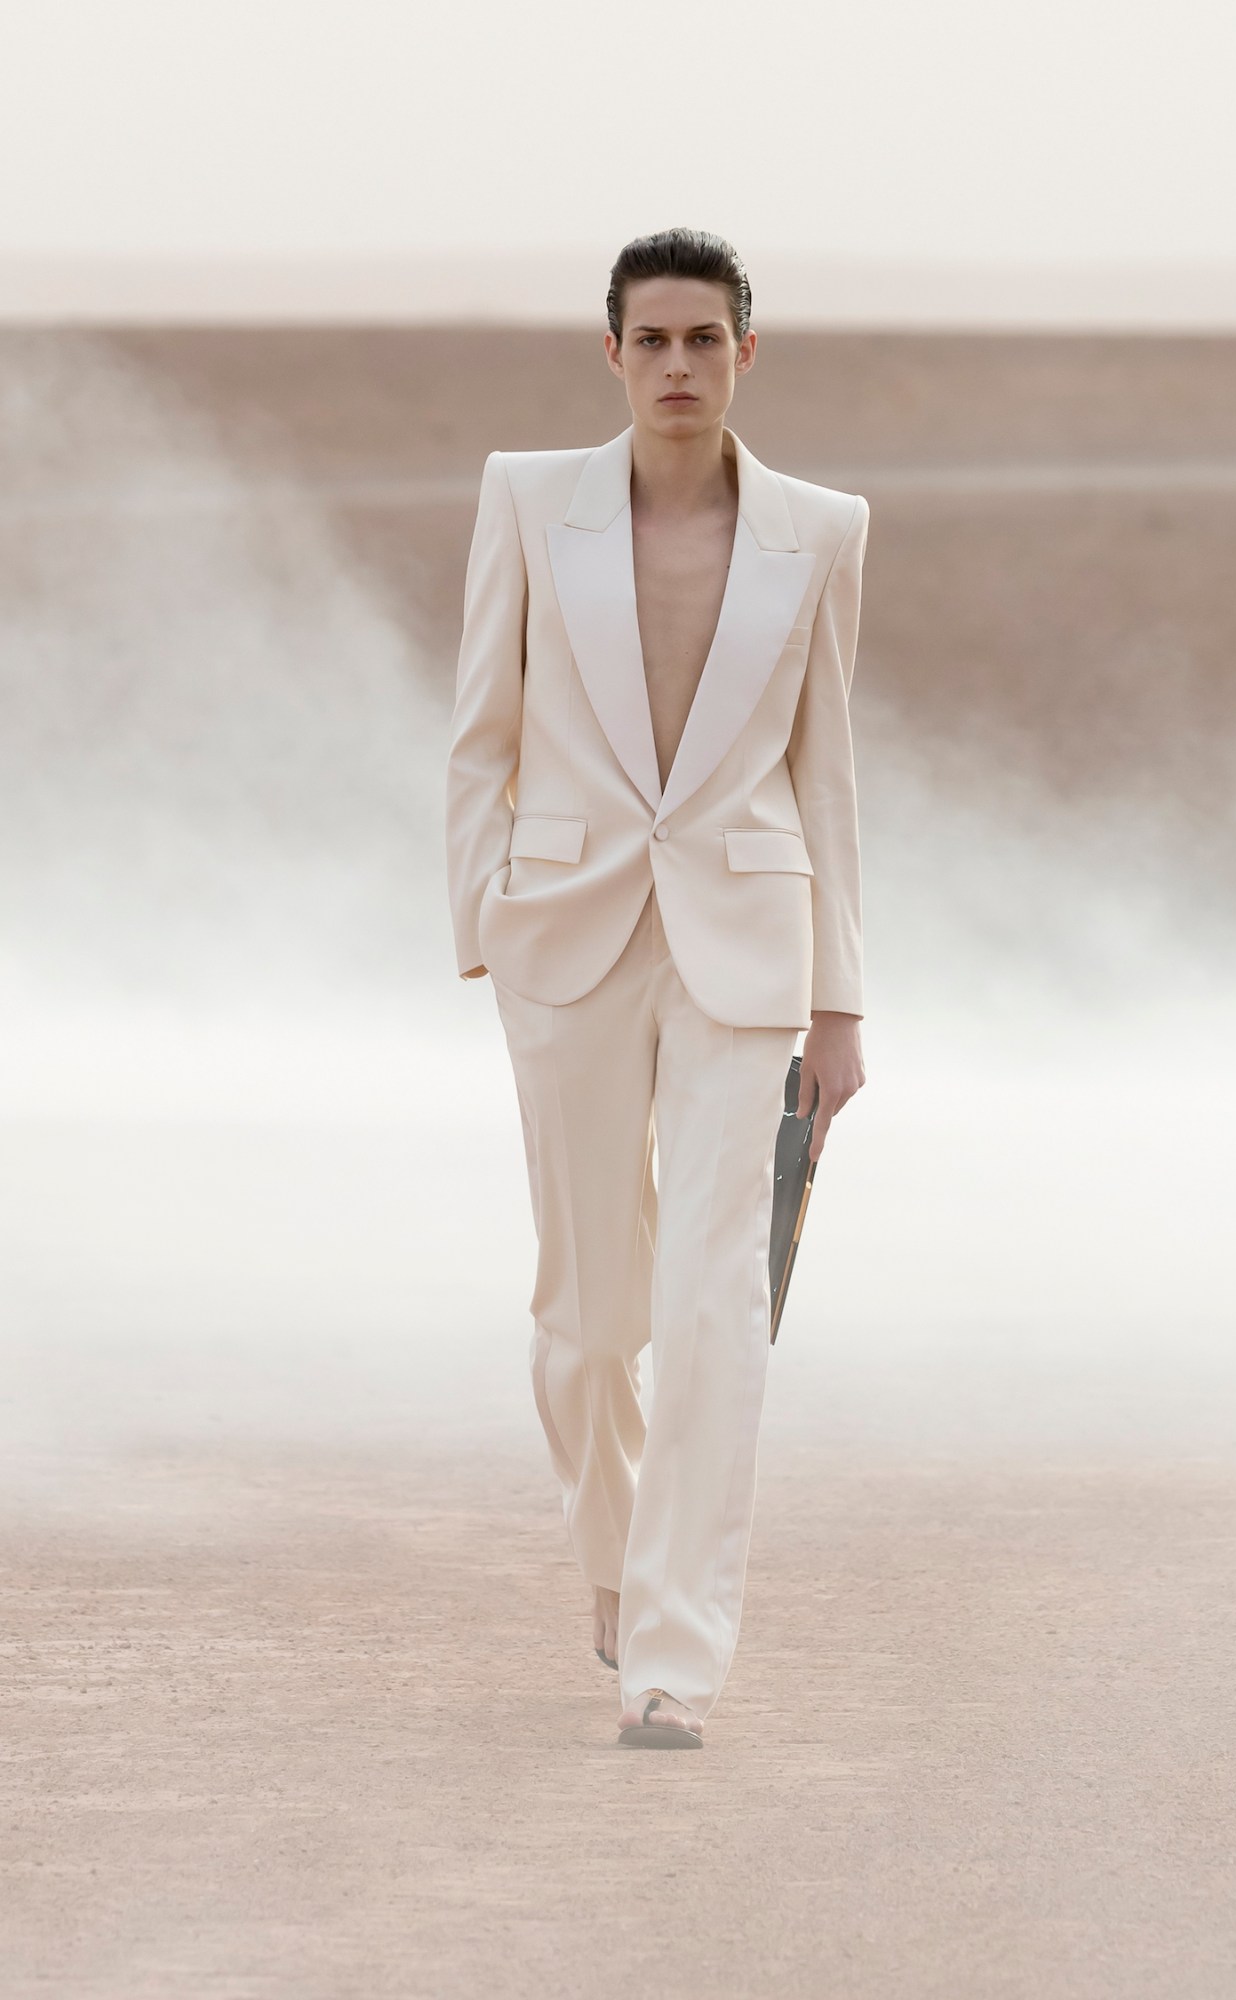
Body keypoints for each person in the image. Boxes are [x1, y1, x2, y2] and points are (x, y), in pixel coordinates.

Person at [444, 226, 869, 1750]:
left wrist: (841, 1002)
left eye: (703, 340)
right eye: (651, 340)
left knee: (712, 1304)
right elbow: (479, 734)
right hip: (563, 939)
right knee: (587, 1319)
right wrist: (483, 923)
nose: (677, 365)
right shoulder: (525, 499)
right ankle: (617, 1560)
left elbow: (826, 770)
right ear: (612, 354)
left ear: (744, 353)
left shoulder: (821, 529)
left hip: (746, 945)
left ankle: (674, 1657)